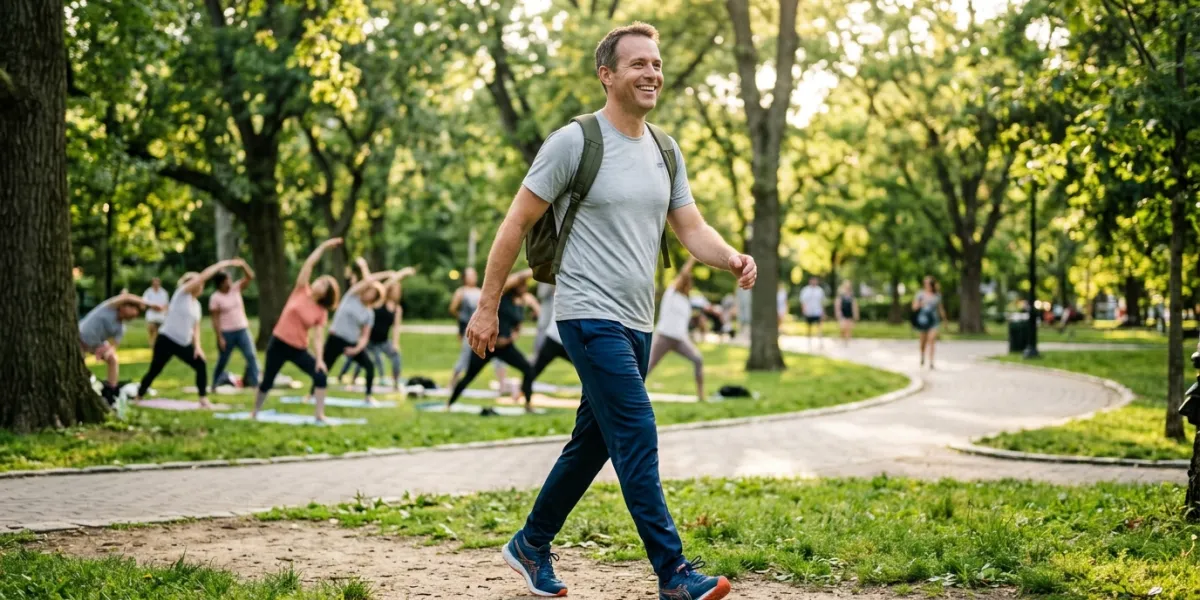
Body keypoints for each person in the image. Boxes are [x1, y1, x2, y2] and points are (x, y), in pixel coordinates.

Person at [466, 22, 756, 600]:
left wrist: (729, 258)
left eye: (656, 63)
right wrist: (487, 306)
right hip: (586, 313)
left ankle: (530, 544)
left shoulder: (665, 150)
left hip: (637, 321)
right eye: (638, 64)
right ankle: (673, 573)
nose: (652, 73)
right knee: (636, 430)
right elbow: (515, 222)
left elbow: (690, 226)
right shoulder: (574, 142)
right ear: (607, 75)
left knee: (593, 443)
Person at [252, 238, 343, 422]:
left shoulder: (321, 312)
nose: (318, 283)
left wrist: (320, 360)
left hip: (298, 349)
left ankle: (319, 414)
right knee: (268, 380)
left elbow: (318, 337)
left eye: (323, 285)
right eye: (320, 280)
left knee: (320, 376)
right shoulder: (301, 290)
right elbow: (309, 264)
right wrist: (323, 247)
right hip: (278, 343)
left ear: (326, 294)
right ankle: (255, 412)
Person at [136, 259, 244, 409]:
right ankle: (139, 395)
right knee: (155, 370)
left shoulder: (196, 305)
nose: (201, 285)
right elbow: (203, 276)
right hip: (166, 339)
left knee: (201, 364)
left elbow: (196, 328)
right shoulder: (181, 294)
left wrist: (198, 347)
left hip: (183, 343)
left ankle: (203, 399)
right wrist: (221, 265)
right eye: (198, 283)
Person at [316, 259, 407, 406]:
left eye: (373, 293)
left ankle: (368, 396)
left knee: (369, 366)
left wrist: (356, 349)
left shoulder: (369, 313)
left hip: (352, 342)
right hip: (335, 338)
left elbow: (365, 336)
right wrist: (386, 274)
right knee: (324, 367)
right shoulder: (351, 297)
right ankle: (312, 393)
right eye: (369, 290)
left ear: (376, 297)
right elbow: (368, 280)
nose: (369, 293)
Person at [447, 269, 537, 411]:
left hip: (505, 347)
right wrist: (535, 268)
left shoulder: (519, 303)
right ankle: (449, 404)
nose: (525, 287)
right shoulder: (503, 295)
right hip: (487, 345)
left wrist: (511, 338)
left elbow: (518, 327)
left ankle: (528, 405)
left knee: (528, 369)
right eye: (522, 285)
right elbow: (515, 278)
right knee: (469, 375)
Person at [79, 293, 164, 405]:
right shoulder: (109, 308)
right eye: (134, 309)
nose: (135, 314)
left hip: (94, 345)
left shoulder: (120, 328)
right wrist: (150, 305)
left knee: (113, 359)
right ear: (124, 306)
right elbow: (126, 297)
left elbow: (113, 346)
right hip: (79, 337)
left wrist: (106, 351)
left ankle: (111, 391)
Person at [341, 272, 412, 390]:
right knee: (362, 360)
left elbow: (396, 327)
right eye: (394, 289)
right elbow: (383, 287)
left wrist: (395, 343)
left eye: (398, 290)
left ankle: (396, 382)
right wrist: (399, 275)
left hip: (383, 341)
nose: (396, 292)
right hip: (369, 340)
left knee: (396, 356)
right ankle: (353, 379)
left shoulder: (397, 309)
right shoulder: (380, 302)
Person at [647, 257, 704, 402]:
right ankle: (629, 394)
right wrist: (692, 260)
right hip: (664, 336)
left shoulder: (686, 301)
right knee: (648, 366)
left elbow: (684, 322)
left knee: (698, 359)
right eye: (687, 283)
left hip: (680, 339)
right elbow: (684, 273)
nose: (689, 286)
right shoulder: (671, 293)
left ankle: (701, 395)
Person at [448, 267, 508, 393]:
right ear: (464, 277)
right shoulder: (461, 292)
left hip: (483, 328)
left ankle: (502, 386)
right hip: (469, 330)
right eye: (470, 275)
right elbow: (453, 308)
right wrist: (462, 319)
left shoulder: (480, 291)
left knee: (497, 355)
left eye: (474, 274)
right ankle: (451, 384)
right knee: (464, 357)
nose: (473, 277)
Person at [209, 262, 259, 388]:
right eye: (227, 280)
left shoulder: (235, 289)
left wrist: (243, 265)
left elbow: (250, 277)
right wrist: (220, 337)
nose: (230, 282)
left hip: (242, 329)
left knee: (251, 356)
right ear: (221, 283)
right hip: (227, 333)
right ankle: (214, 383)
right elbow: (215, 319)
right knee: (223, 359)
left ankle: (255, 383)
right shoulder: (215, 298)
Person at [913, 275, 948, 369]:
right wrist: (921, 304)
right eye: (925, 283)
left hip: (934, 321)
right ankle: (922, 355)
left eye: (928, 283)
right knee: (922, 342)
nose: (927, 284)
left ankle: (931, 362)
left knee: (931, 340)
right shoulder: (920, 294)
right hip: (923, 321)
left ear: (932, 284)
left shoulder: (937, 295)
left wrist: (945, 320)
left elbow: (940, 309)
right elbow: (914, 307)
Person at [799, 277, 826, 348]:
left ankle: (820, 342)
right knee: (809, 327)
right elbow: (803, 301)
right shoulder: (805, 290)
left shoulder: (820, 290)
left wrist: (823, 312)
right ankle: (809, 342)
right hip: (809, 312)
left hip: (818, 311)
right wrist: (804, 310)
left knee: (819, 327)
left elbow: (822, 302)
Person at [142, 278, 169, 347]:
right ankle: (151, 344)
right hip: (151, 314)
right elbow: (144, 302)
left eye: (157, 283)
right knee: (151, 328)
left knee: (159, 331)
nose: (156, 284)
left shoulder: (164, 292)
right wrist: (152, 306)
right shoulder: (148, 292)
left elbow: (166, 304)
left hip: (161, 314)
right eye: (154, 283)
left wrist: (163, 310)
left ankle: (157, 344)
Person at [836, 280, 859, 346]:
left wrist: (856, 314)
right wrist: (838, 313)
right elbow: (838, 305)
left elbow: (854, 306)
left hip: (849, 314)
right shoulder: (841, 296)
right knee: (843, 328)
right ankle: (843, 339)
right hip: (843, 314)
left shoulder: (852, 296)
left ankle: (847, 342)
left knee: (849, 328)